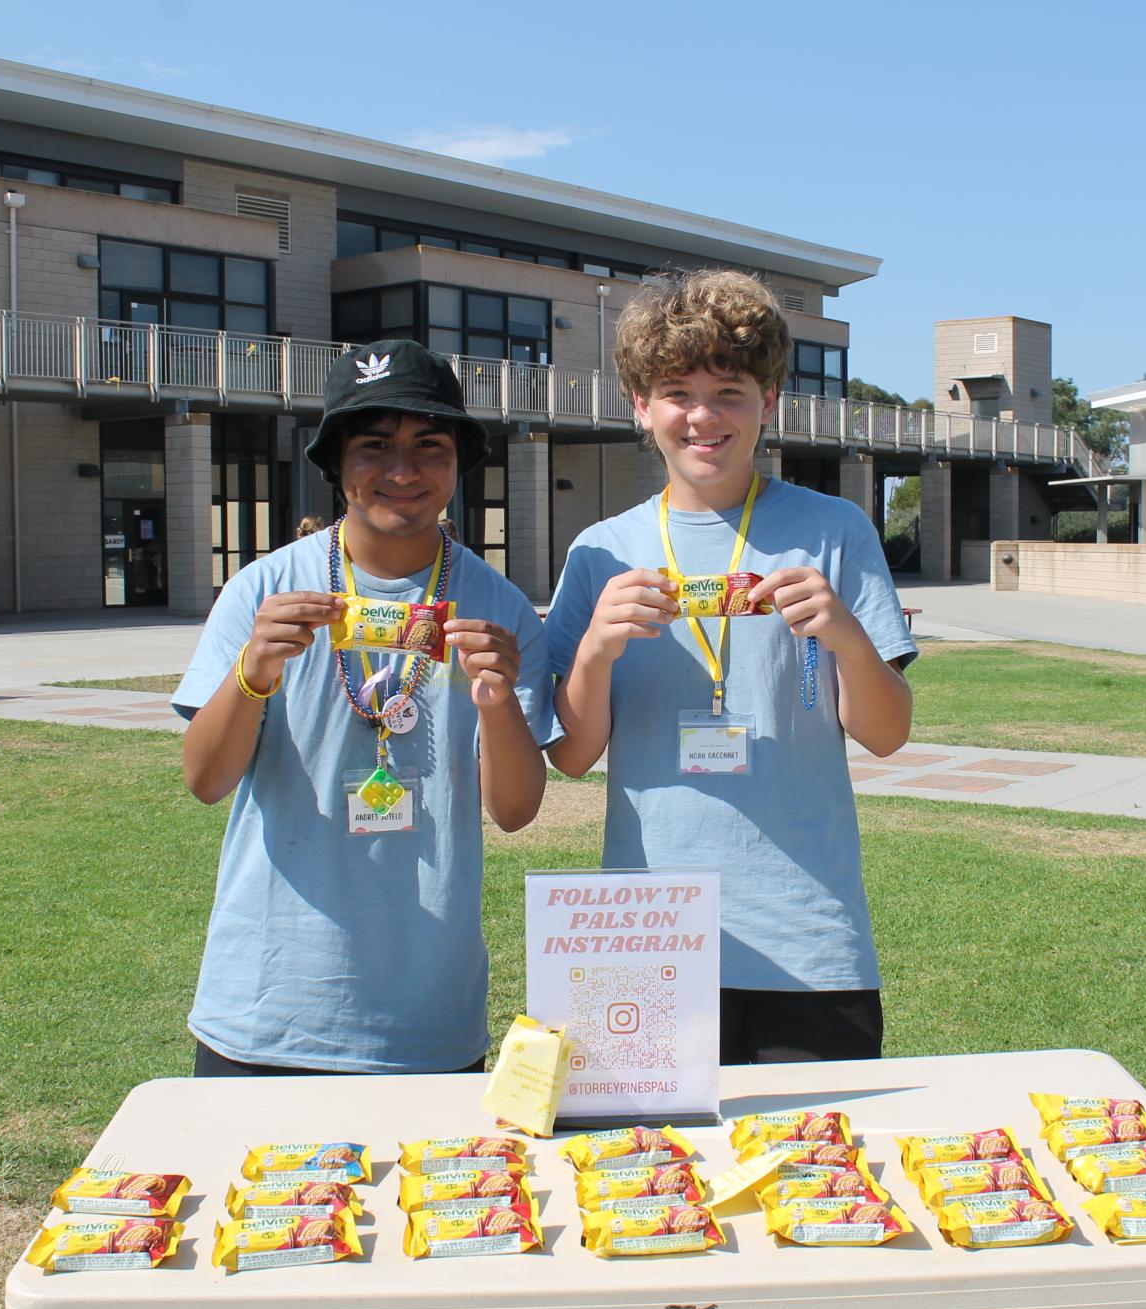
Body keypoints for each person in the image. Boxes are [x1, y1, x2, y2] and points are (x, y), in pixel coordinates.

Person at [543, 270, 916, 1066]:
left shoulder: (833, 530)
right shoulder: (601, 552)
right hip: (645, 935)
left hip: (807, 940)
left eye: (730, 391)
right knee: (650, 1182)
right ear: (640, 407)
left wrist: (846, 635)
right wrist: (594, 650)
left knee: (817, 1185)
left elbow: (886, 735)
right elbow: (570, 757)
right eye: (676, 391)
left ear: (769, 400)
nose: (703, 416)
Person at [172, 339, 550, 1076]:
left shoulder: (496, 607)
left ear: (457, 464)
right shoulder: (263, 590)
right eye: (374, 446)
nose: (402, 471)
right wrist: (252, 672)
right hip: (266, 1008)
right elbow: (205, 781)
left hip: (429, 1021)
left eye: (429, 447)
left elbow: (514, 810)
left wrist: (499, 703)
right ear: (336, 465)